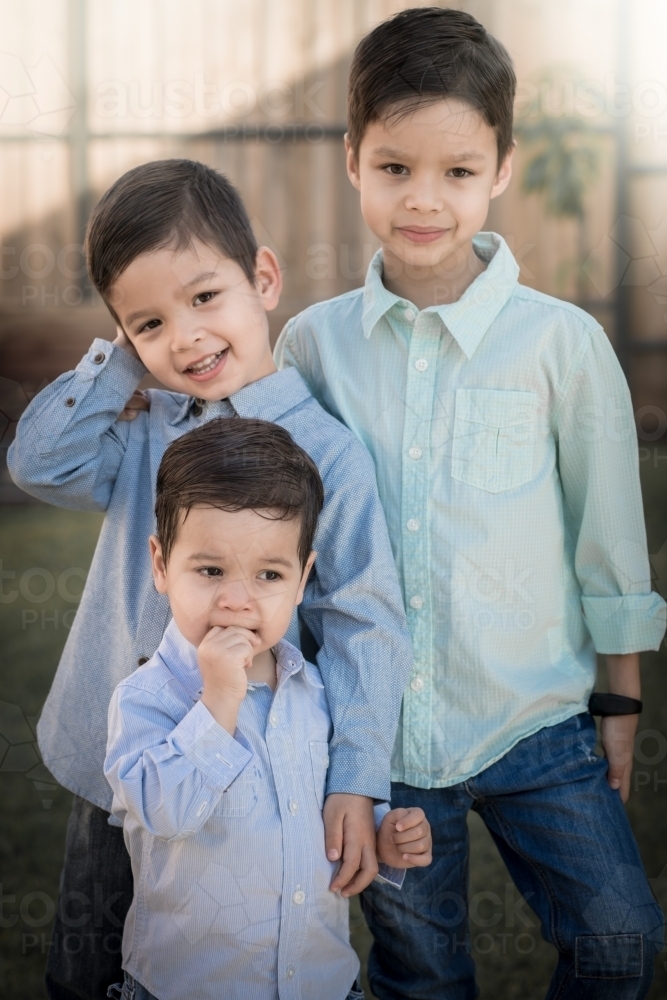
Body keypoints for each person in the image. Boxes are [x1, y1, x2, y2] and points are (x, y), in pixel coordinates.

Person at [274, 7, 666, 998]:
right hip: (387, 744)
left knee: (619, 939)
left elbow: (607, 540)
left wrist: (618, 702)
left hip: (537, 721)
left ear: (499, 168)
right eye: (395, 167)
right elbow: (285, 538)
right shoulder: (312, 348)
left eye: (456, 171)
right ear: (354, 160)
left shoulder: (560, 344)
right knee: (421, 976)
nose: (424, 199)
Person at [8, 159, 414, 999]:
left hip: (247, 768)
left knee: (222, 954)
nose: (185, 338)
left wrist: (355, 776)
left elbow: (362, 619)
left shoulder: (330, 452)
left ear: (263, 277)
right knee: (86, 961)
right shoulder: (145, 432)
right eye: (149, 323)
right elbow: (37, 463)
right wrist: (124, 363)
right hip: (119, 761)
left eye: (204, 299)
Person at [104, 417, 432, 1000]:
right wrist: (219, 701)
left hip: (320, 982)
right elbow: (167, 812)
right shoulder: (146, 698)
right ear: (160, 566)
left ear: (303, 579)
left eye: (269, 575)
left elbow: (304, 811)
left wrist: (382, 837)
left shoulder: (313, 692)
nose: (236, 600)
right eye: (209, 571)